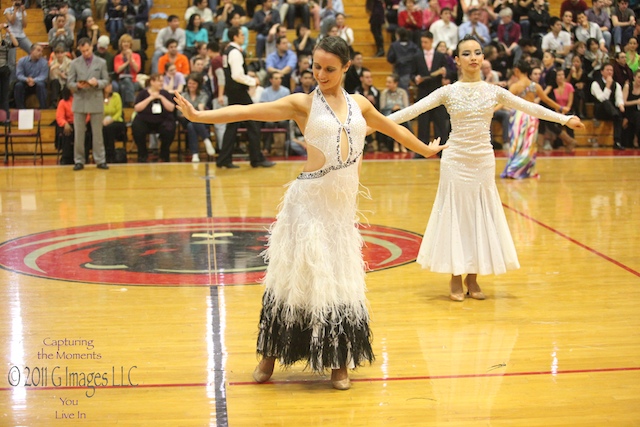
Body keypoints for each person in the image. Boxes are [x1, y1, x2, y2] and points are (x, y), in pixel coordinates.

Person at [175, 36, 447, 390]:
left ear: (347, 67)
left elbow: (390, 127)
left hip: (340, 213)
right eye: (316, 67)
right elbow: (246, 111)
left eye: (330, 69)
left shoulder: (361, 105)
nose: (320, 74)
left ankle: (338, 362)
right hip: (306, 208)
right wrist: (200, 116)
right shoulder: (302, 104)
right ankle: (269, 358)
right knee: (293, 283)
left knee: (338, 284)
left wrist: (424, 148)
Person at [387, 35, 584, 301]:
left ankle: (473, 278)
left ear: (483, 57)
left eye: (477, 52)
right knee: (456, 216)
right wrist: (371, 124)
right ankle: (455, 276)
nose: (473, 57)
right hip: (455, 159)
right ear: (456, 60)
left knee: (480, 216)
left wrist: (565, 118)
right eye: (466, 53)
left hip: (482, 160)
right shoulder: (448, 91)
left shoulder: (494, 91)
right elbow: (411, 111)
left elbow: (531, 107)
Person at [217, 26, 274, 169]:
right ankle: (256, 159)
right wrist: (252, 81)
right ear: (235, 37)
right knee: (253, 123)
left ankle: (223, 159)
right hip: (239, 92)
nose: (244, 37)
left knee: (232, 125)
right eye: (242, 34)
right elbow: (236, 75)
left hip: (233, 91)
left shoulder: (227, 51)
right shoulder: (235, 52)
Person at [501, 60, 568, 178]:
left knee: (517, 143)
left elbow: (503, 102)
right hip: (531, 116)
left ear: (517, 70)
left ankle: (514, 169)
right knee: (529, 144)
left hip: (518, 117)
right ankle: (525, 169)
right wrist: (560, 107)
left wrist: (492, 110)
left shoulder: (515, 86)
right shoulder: (535, 86)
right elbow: (546, 100)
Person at [67, 37, 110, 171]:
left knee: (98, 133)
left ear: (92, 47)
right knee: (79, 134)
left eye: (87, 50)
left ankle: (100, 159)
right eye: (83, 51)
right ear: (79, 50)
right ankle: (79, 160)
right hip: (80, 99)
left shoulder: (101, 62)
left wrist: (97, 83)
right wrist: (78, 85)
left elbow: (106, 80)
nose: (86, 53)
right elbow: (69, 83)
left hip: (95, 98)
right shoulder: (74, 63)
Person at [131, 73, 176, 162]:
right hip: (145, 120)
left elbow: (171, 108)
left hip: (162, 120)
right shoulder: (142, 93)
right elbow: (137, 108)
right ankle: (142, 155)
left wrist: (161, 98)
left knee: (170, 128)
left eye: (162, 81)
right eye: (159, 81)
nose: (161, 83)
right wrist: (150, 98)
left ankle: (164, 154)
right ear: (152, 82)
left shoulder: (165, 93)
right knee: (137, 127)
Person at [177, 73, 214, 162]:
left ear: (198, 84)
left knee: (192, 125)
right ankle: (206, 139)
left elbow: (201, 108)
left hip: (199, 120)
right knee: (191, 121)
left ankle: (195, 154)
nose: (191, 85)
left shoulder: (203, 95)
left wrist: (198, 110)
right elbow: (179, 112)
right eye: (190, 83)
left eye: (194, 83)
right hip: (185, 119)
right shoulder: (183, 95)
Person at [591, 63, 625, 150]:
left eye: (611, 70)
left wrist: (621, 105)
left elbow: (619, 98)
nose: (610, 72)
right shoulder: (595, 84)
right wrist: (607, 86)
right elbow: (602, 98)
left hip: (611, 111)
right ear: (602, 72)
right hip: (600, 111)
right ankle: (615, 114)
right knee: (606, 102)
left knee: (619, 115)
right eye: (607, 70)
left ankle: (617, 142)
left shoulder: (616, 85)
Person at [14, 44, 48, 110]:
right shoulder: (22, 61)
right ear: (32, 51)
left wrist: (33, 80)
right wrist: (27, 79)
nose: (40, 53)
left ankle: (43, 108)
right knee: (18, 85)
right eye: (38, 50)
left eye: (41, 51)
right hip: (25, 82)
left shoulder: (44, 62)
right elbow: (19, 75)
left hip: (37, 83)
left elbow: (43, 76)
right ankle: (20, 108)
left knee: (41, 85)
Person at [102, 79, 126, 163]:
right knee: (103, 128)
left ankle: (111, 153)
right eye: (108, 85)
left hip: (116, 121)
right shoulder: (98, 98)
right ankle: (105, 154)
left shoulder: (116, 96)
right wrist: (103, 121)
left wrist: (111, 120)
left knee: (110, 128)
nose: (110, 87)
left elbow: (119, 112)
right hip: (103, 122)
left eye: (110, 85)